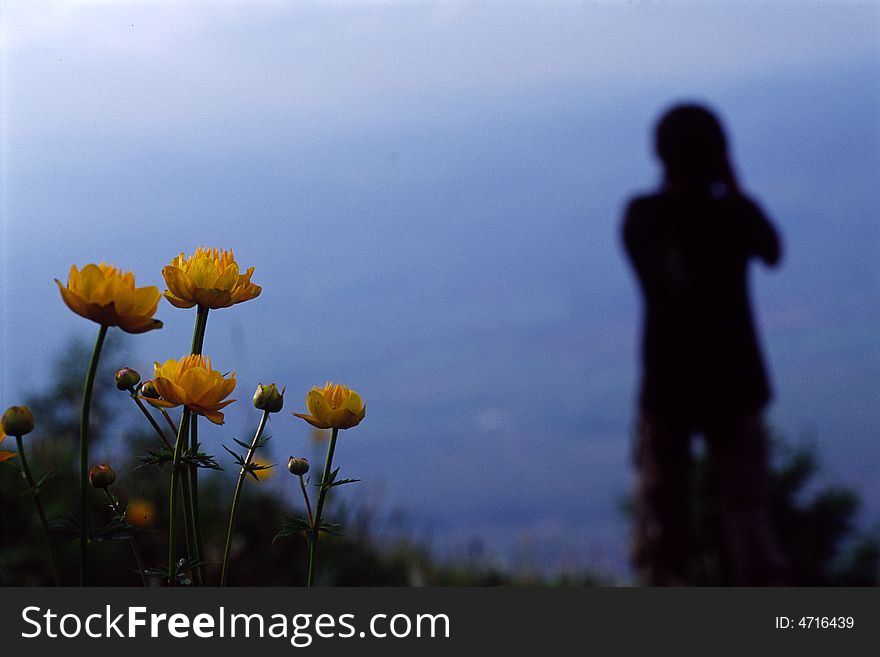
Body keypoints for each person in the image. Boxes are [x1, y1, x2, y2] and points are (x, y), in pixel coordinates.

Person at [622, 103, 789, 585]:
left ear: (660, 154)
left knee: (662, 522)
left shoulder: (642, 217)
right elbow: (773, 250)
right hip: (735, 383)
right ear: (719, 153)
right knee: (748, 517)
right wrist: (731, 185)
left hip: (667, 385)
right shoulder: (733, 215)